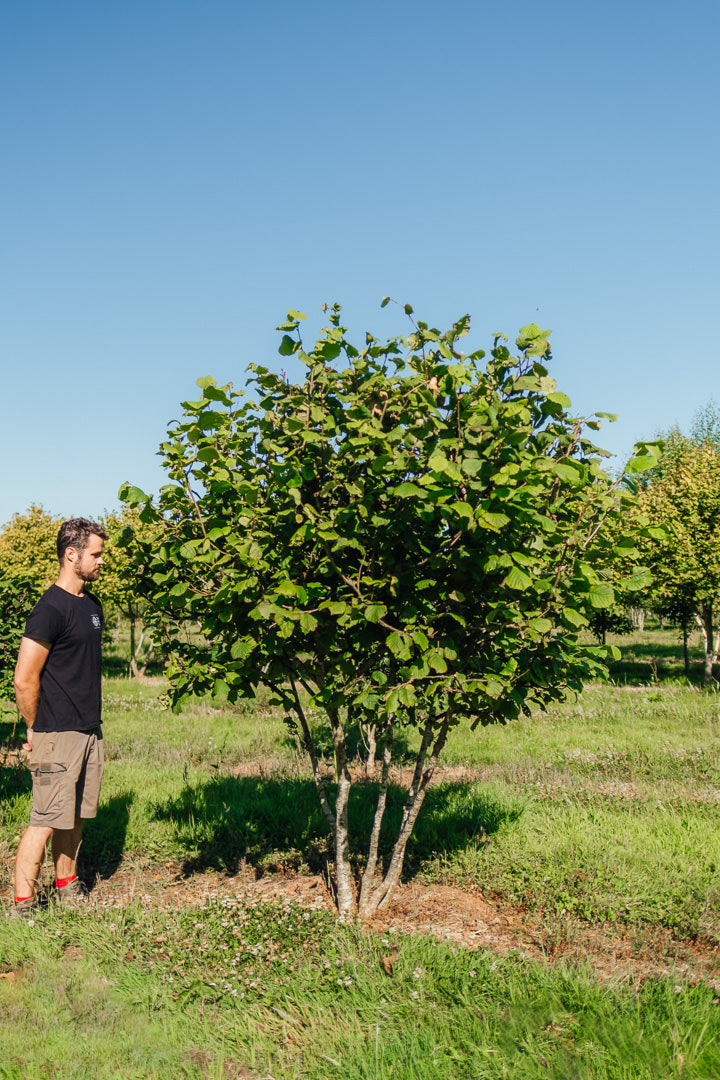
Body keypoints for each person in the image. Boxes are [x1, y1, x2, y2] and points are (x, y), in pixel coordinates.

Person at [10, 518, 108, 917]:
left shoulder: (92, 605)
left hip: (89, 730)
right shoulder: (48, 609)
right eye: (96, 554)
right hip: (56, 730)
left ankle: (67, 884)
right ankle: (22, 904)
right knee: (46, 819)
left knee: (75, 817)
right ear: (72, 554)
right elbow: (24, 679)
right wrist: (36, 727)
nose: (102, 562)